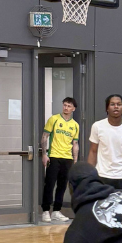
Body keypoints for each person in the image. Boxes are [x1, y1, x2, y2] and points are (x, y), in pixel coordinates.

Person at [40, 95, 80, 224]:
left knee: (62, 186)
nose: (66, 108)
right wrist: (44, 154)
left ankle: (56, 211)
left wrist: (75, 161)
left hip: (67, 158)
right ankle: (46, 211)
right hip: (54, 156)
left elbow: (75, 144)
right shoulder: (54, 119)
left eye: (69, 106)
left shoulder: (75, 125)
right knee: (50, 184)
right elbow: (45, 136)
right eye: (64, 105)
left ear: (73, 109)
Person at [88, 94, 122, 189]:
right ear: (107, 108)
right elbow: (93, 151)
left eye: (119, 104)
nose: (116, 107)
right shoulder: (97, 126)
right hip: (101, 176)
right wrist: (88, 178)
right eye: (112, 104)